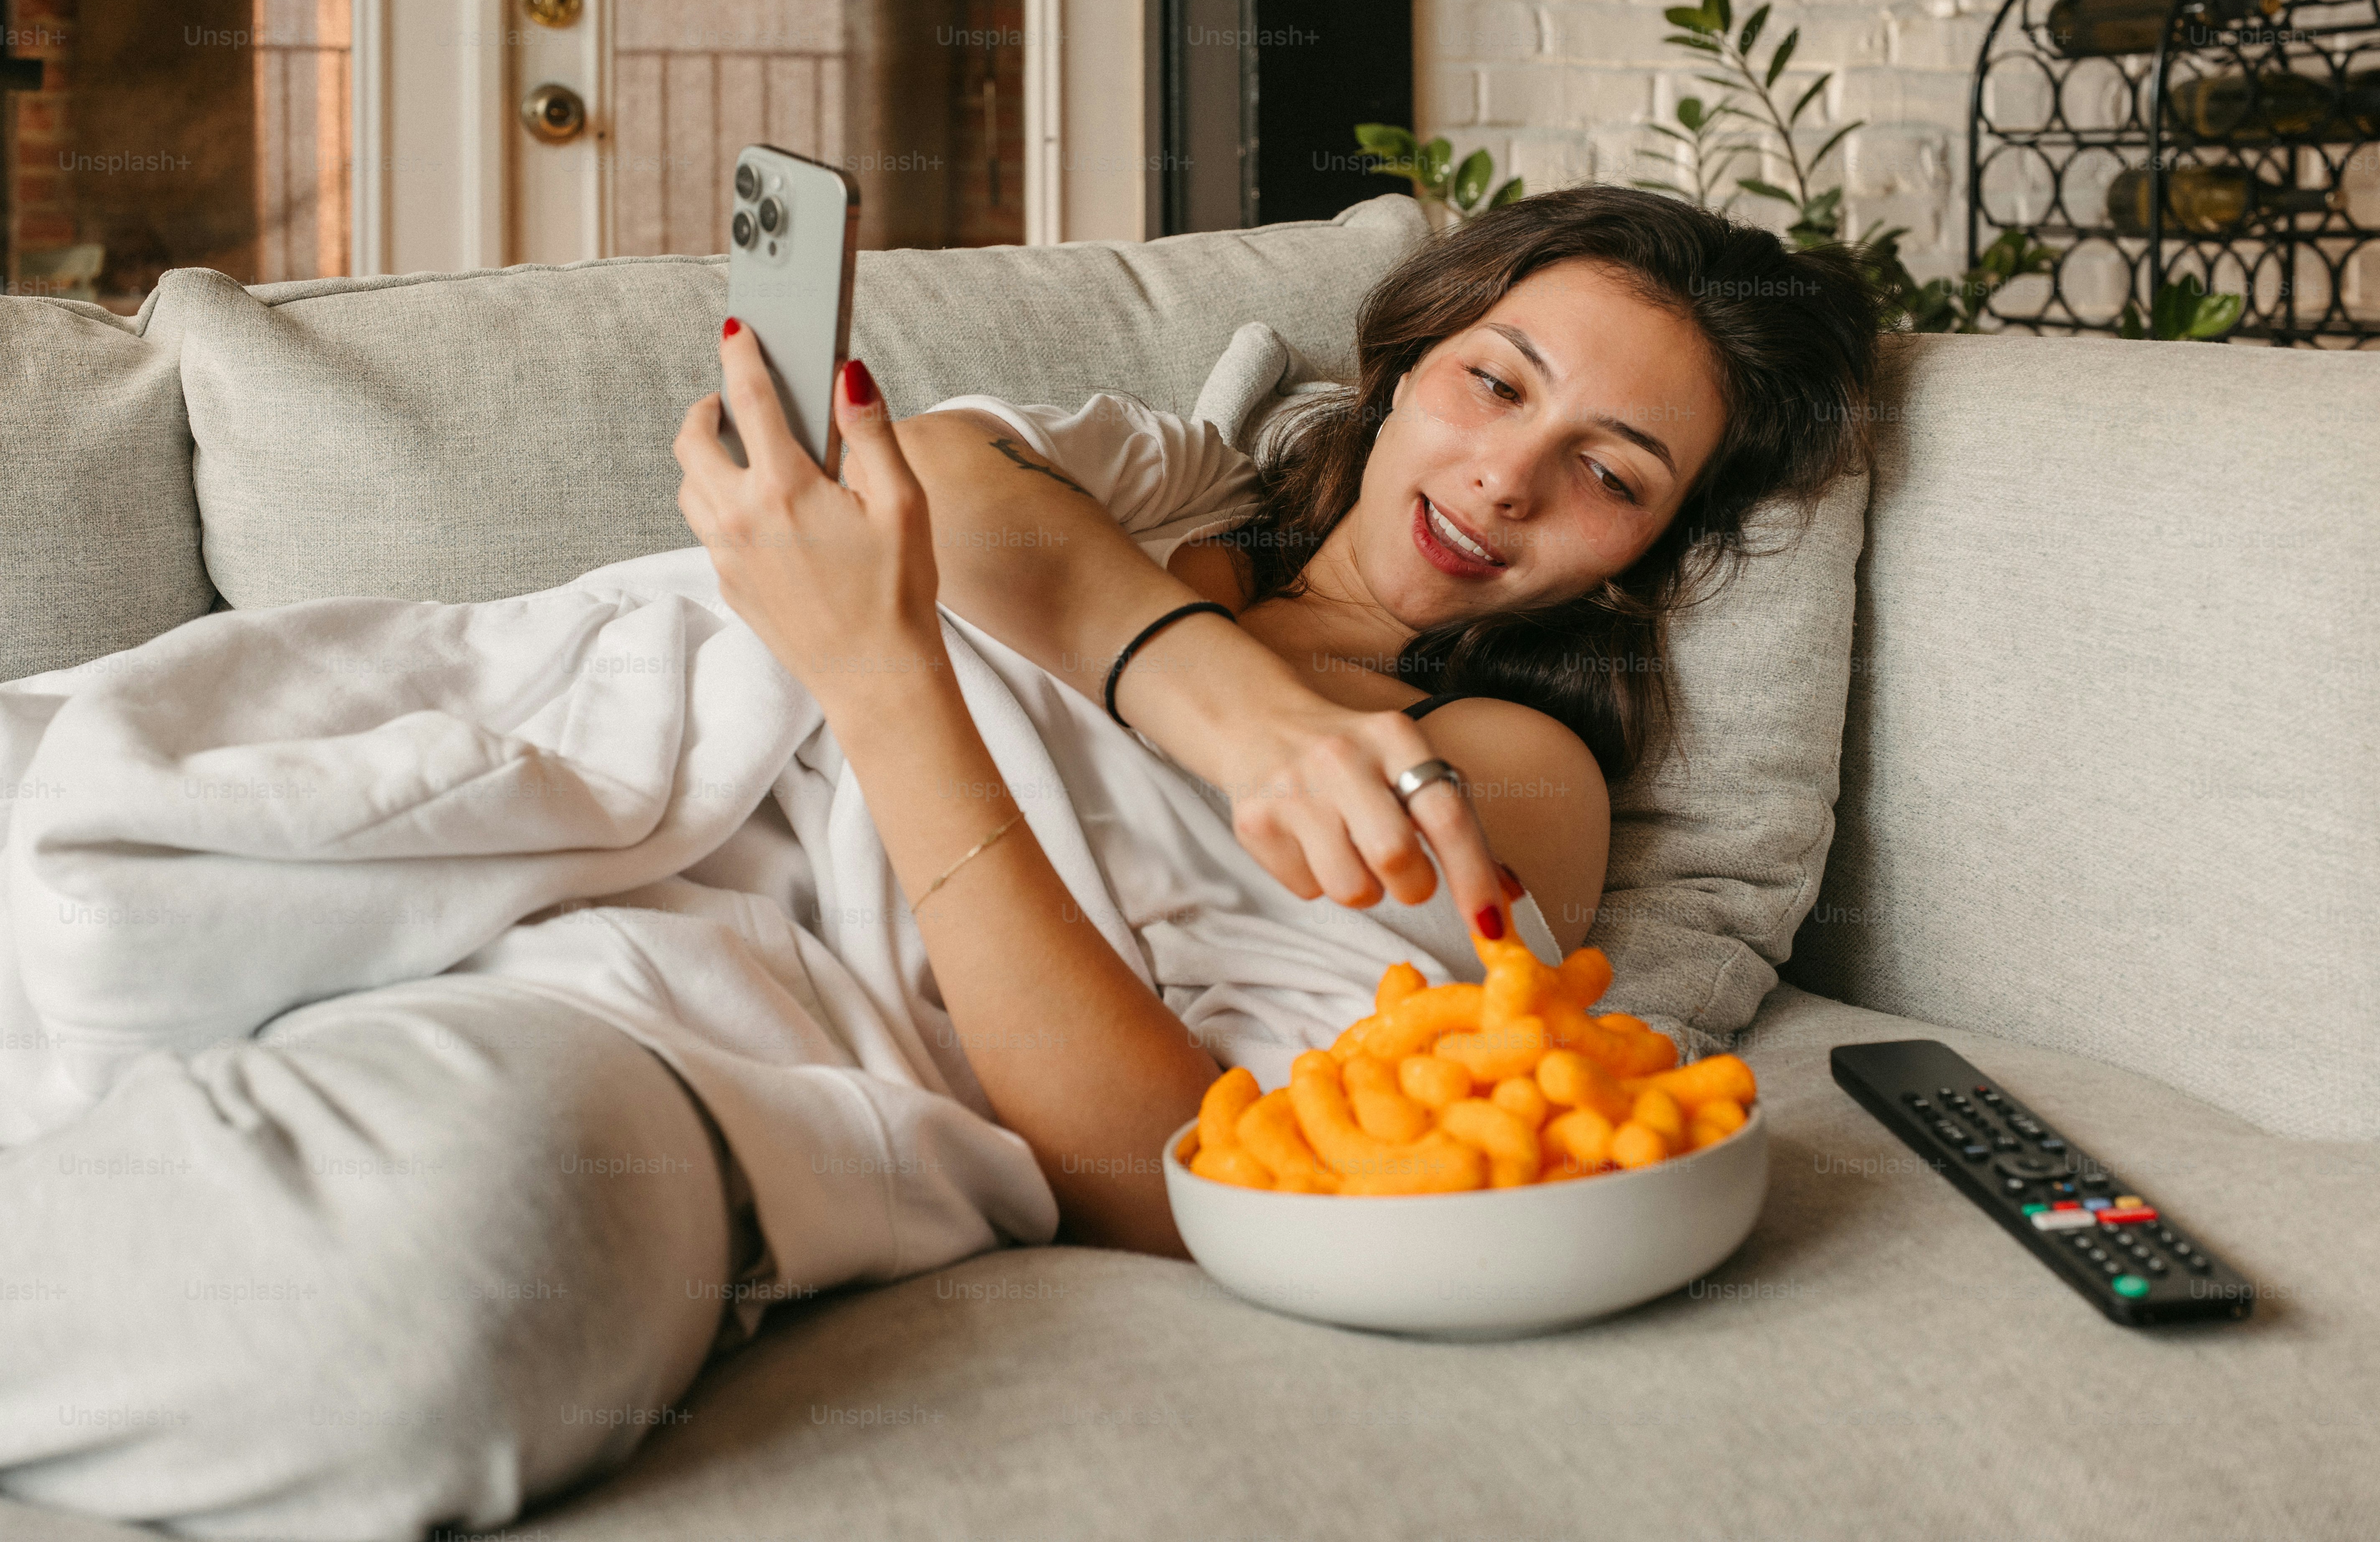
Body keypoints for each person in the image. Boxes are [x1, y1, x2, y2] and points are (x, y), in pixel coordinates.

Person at [0, 186, 1882, 1539]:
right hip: (475, 806)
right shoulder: (1172, 479)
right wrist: (1224, 706)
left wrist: (885, 674)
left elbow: (1169, 1164)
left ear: (1645, 557)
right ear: (1402, 369)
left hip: (672, 1034)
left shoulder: (1507, 765)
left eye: (1615, 470)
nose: (1506, 477)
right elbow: (959, 492)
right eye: (1496, 381)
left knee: (450, 1267)